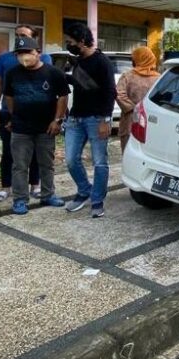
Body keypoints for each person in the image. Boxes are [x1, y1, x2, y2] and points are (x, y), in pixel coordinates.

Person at [1, 37, 69, 215]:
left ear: (38, 53)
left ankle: (48, 195)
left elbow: (63, 97)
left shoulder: (53, 73)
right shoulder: (12, 73)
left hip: (46, 128)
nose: (24, 57)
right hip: (21, 128)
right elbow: (8, 96)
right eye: (19, 53)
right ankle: (20, 200)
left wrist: (57, 120)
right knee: (19, 166)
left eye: (28, 52)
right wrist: (14, 116)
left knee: (46, 164)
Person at [0, 24, 52, 203]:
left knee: (35, 151)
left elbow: (49, 85)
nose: (19, 38)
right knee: (9, 150)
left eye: (23, 35)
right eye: (17, 35)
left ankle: (36, 185)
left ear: (34, 38)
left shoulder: (44, 58)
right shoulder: (5, 59)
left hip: (35, 113)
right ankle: (6, 187)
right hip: (9, 112)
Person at [63, 23, 116, 218]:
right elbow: (82, 84)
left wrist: (105, 120)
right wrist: (63, 77)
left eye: (70, 42)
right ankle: (84, 190)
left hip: (96, 119)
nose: (68, 45)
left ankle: (97, 199)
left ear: (82, 41)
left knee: (100, 162)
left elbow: (110, 92)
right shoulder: (79, 61)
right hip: (76, 119)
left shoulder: (102, 62)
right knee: (70, 159)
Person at [116, 46, 161, 153]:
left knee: (129, 155)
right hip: (152, 122)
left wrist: (135, 108)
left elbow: (119, 94)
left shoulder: (127, 76)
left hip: (130, 122)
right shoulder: (159, 78)